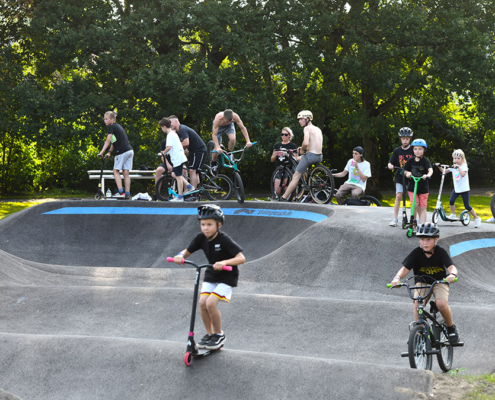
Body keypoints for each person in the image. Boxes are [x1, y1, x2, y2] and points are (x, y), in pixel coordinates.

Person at [174, 205, 245, 350]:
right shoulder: (201, 238)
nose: (205, 228)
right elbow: (187, 251)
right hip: (211, 274)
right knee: (202, 303)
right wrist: (180, 256)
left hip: (227, 276)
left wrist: (224, 262)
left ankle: (219, 335)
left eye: (209, 224)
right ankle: (209, 334)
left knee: (211, 303)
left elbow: (241, 258)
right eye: (203, 224)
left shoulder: (224, 239)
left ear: (219, 224)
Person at [389, 223, 460, 343]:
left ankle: (450, 327)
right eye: (422, 239)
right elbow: (405, 269)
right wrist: (397, 278)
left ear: (436, 239)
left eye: (428, 239)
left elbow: (452, 267)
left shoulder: (440, 252)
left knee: (441, 303)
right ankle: (419, 331)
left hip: (439, 282)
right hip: (422, 283)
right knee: (417, 304)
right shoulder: (416, 252)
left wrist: (452, 275)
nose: (425, 243)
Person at [279, 110, 323, 201]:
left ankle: (284, 197)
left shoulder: (307, 128)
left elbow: (306, 143)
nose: (299, 121)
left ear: (307, 119)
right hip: (319, 156)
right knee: (299, 158)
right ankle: (305, 177)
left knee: (295, 176)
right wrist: (303, 149)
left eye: (301, 119)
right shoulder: (317, 129)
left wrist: (302, 150)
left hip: (311, 156)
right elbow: (314, 144)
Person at [435, 149, 482, 228]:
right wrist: (439, 166)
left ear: (462, 159)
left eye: (458, 158)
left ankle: (477, 218)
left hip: (464, 189)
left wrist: (458, 167)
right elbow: (443, 171)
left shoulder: (463, 166)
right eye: (455, 158)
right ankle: (453, 214)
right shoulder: (453, 166)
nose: (456, 160)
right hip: (457, 189)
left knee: (467, 206)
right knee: (451, 201)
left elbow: (463, 174)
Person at [97, 111, 134, 199]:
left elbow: (108, 140)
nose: (105, 121)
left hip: (122, 152)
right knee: (126, 172)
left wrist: (101, 152)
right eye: (104, 119)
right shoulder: (118, 126)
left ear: (112, 119)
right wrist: (109, 152)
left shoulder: (111, 127)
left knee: (115, 170)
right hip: (130, 151)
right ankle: (127, 193)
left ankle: (120, 192)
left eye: (106, 119)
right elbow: (114, 142)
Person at [169, 115, 207, 192]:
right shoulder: (178, 132)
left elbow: (186, 142)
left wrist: (176, 146)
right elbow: (186, 144)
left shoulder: (182, 129)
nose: (170, 124)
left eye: (170, 122)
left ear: (176, 121)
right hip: (194, 151)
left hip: (199, 150)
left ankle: (192, 192)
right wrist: (185, 149)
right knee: (195, 172)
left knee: (192, 171)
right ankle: (196, 192)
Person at [388, 127, 415, 226]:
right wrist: (390, 165)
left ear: (410, 139)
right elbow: (391, 162)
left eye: (407, 139)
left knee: (412, 199)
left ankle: (414, 220)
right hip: (400, 177)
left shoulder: (413, 150)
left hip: (411, 178)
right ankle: (395, 219)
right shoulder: (397, 151)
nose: (405, 140)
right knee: (398, 196)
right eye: (403, 138)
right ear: (400, 139)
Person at [211, 109, 252, 174]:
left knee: (233, 139)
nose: (229, 122)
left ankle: (229, 153)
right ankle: (213, 163)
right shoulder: (218, 119)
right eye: (227, 121)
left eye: (231, 121)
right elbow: (214, 135)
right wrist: (218, 147)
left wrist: (248, 141)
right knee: (216, 148)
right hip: (219, 128)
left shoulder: (235, 117)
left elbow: (243, 128)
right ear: (223, 118)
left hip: (229, 127)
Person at [403, 139, 433, 226]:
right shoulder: (410, 160)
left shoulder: (425, 161)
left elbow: (430, 170)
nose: (417, 151)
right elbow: (405, 170)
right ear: (413, 150)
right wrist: (407, 173)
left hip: (423, 188)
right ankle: (414, 222)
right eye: (415, 149)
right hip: (412, 187)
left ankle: (423, 225)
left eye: (420, 149)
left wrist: (427, 175)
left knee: (422, 207)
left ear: (424, 150)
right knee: (414, 204)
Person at [159, 117, 189, 202]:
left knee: (178, 177)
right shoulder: (173, 134)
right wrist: (167, 152)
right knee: (176, 175)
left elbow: (169, 147)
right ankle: (188, 187)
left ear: (164, 126)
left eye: (161, 128)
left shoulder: (169, 135)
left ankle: (180, 197)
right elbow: (173, 147)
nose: (162, 130)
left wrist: (163, 153)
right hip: (178, 157)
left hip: (177, 158)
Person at [271, 127, 298, 199]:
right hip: (279, 169)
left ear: (289, 135)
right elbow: (272, 159)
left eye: (286, 134)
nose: (283, 136)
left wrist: (286, 154)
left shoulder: (293, 146)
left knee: (287, 191)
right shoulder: (277, 145)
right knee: (276, 191)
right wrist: (276, 153)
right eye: (282, 134)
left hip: (289, 169)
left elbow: (296, 159)